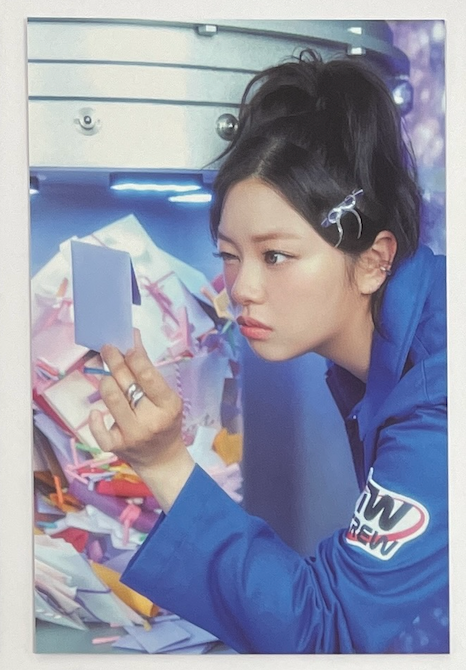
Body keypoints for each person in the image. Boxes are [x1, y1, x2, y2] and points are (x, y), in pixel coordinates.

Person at [88, 50, 448, 653]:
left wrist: (164, 462)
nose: (243, 288)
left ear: (374, 260)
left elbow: (331, 634)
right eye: (230, 255)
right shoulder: (392, 353)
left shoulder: (439, 401)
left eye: (275, 255)